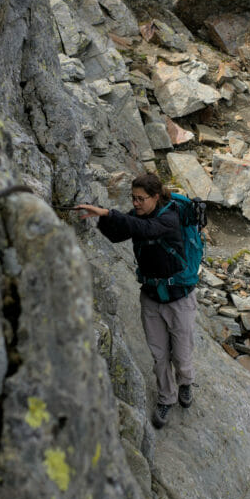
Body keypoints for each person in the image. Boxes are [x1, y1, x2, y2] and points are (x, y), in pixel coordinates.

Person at [75, 173, 197, 429]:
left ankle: (185, 382)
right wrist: (100, 219)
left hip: (179, 299)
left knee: (182, 355)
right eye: (133, 198)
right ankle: (167, 397)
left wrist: (109, 213)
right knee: (159, 353)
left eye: (141, 199)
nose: (136, 203)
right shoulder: (138, 214)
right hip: (151, 297)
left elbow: (147, 229)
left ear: (155, 197)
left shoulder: (170, 216)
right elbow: (118, 235)